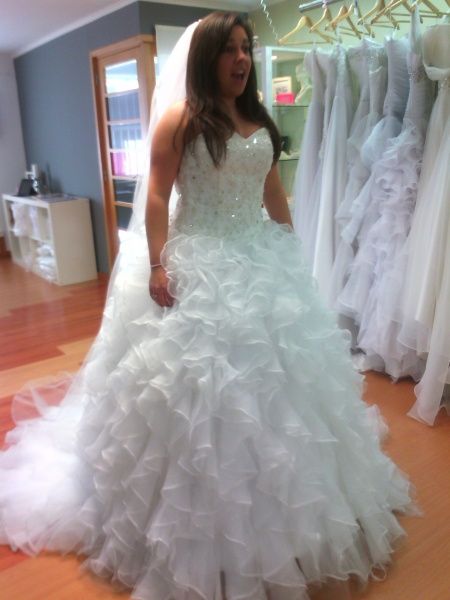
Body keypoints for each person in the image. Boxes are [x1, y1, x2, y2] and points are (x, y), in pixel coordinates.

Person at [0, 11, 415, 600]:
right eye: (230, 50)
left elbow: (271, 189)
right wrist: (159, 263)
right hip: (199, 259)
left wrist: (289, 246)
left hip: (258, 260)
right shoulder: (182, 119)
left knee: (278, 391)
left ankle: (288, 517)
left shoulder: (259, 118)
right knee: (197, 392)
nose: (242, 59)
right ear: (207, 58)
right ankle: (193, 531)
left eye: (246, 48)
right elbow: (156, 197)